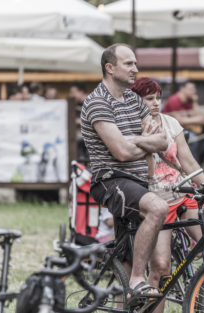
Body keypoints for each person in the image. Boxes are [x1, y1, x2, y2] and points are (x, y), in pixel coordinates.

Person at [81, 43, 169, 303]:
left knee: (126, 259)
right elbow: (120, 152)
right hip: (111, 180)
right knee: (157, 208)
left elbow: (162, 141)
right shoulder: (97, 102)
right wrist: (142, 141)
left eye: (135, 63)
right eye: (129, 63)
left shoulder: (132, 98)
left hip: (138, 183)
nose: (136, 69)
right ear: (110, 68)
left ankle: (128, 282)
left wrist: (133, 140)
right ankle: (138, 280)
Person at [130, 77, 204, 313]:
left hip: (181, 192)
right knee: (161, 266)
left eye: (158, 98)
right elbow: (140, 168)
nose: (156, 103)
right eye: (149, 99)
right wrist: (147, 140)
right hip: (156, 199)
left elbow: (187, 160)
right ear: (136, 100)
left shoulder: (170, 123)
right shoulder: (131, 128)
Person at [162, 81, 204, 164]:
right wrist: (197, 119)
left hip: (182, 129)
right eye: (191, 89)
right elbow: (179, 121)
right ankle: (191, 166)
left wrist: (195, 102)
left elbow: (199, 115)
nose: (194, 91)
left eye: (194, 89)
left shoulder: (187, 101)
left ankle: (198, 164)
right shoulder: (174, 100)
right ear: (182, 89)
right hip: (169, 132)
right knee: (193, 138)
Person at [70, 83, 90, 163]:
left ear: (81, 92)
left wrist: (78, 121)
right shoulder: (76, 105)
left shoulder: (90, 102)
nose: (70, 95)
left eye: (73, 92)